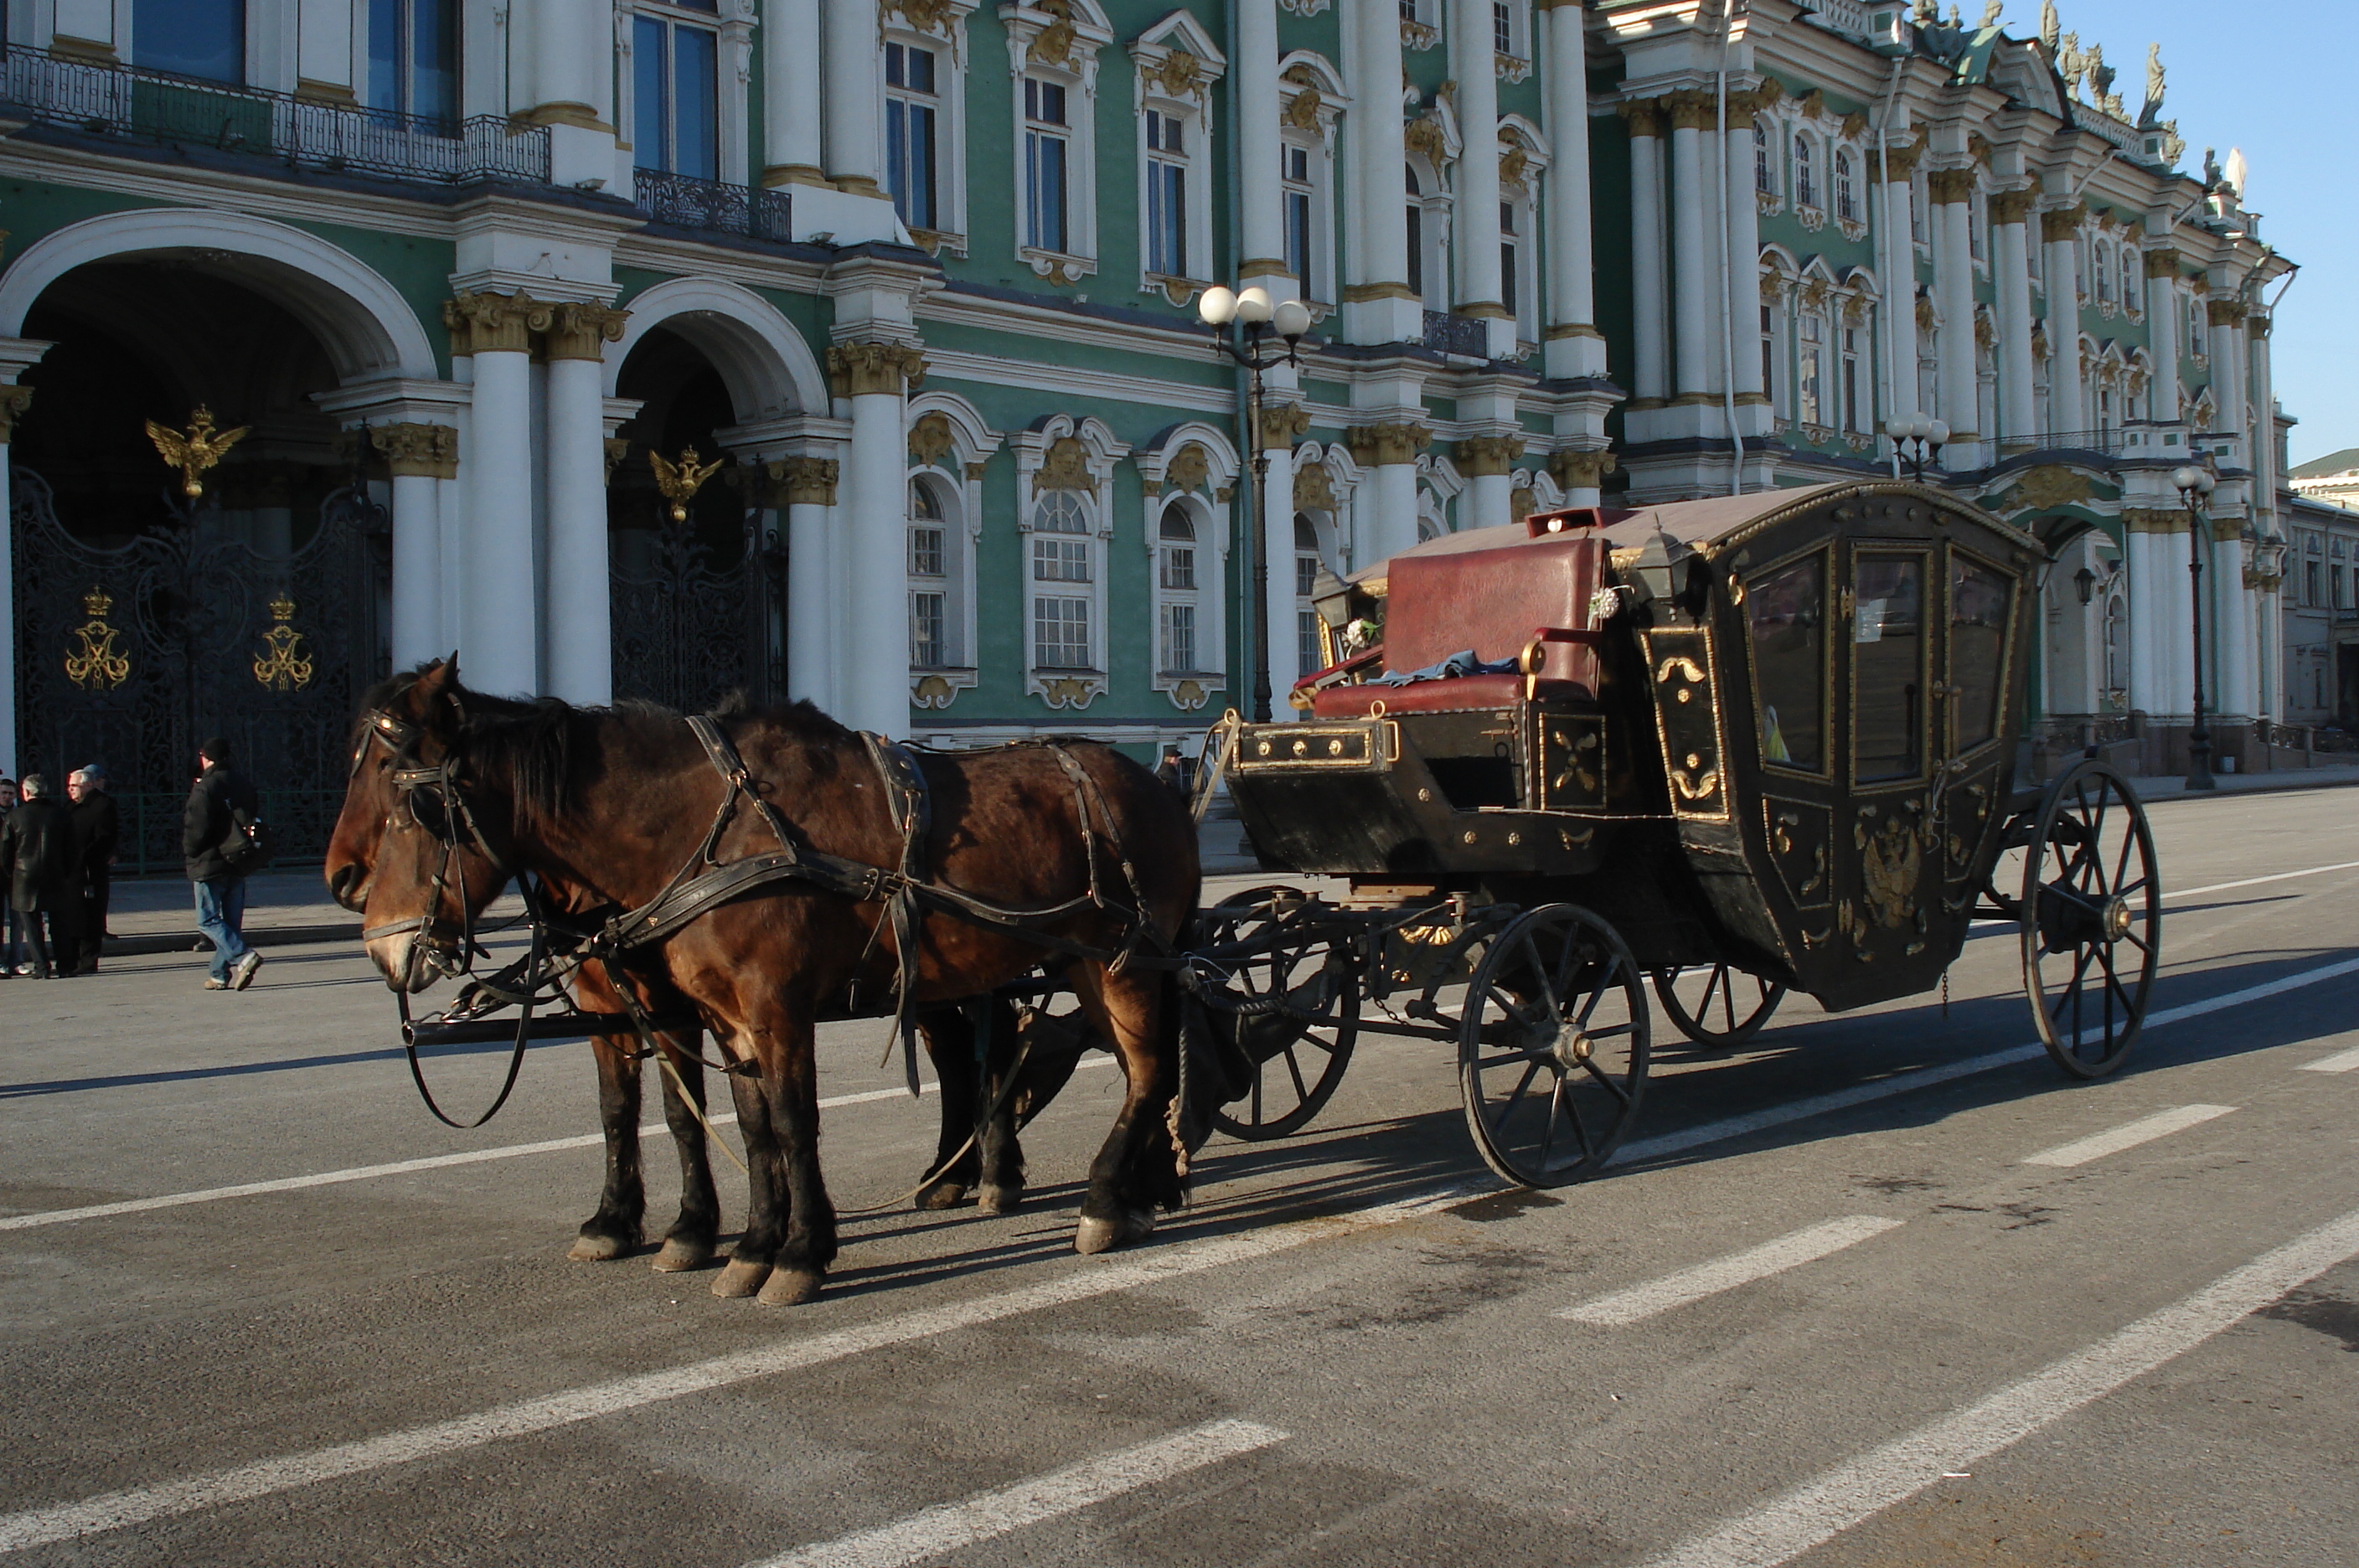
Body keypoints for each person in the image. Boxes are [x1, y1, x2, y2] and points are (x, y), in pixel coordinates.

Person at [184, 737, 263, 992]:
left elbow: (197, 826)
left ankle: (243, 956)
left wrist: (191, 851)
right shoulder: (241, 782)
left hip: (210, 860)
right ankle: (219, 973)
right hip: (238, 857)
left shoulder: (206, 786)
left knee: (206, 920)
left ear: (206, 758)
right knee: (230, 922)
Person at [0, 773, 80, 978]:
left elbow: (5, 853)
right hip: (56, 874)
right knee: (60, 924)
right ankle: (65, 965)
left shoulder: (15, 817)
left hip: (24, 876)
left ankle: (42, 966)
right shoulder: (61, 815)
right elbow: (72, 849)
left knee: (31, 925)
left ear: (26, 793)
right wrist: (66, 872)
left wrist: (13, 873)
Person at [67, 766, 119, 975]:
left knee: (91, 915)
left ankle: (88, 959)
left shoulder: (102, 805)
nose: (70, 790)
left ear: (88, 785)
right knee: (74, 914)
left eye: (74, 786)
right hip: (72, 870)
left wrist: (83, 857)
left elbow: (104, 837)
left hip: (90, 869)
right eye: (69, 787)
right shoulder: (71, 807)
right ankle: (72, 958)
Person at [0, 776, 26, 975]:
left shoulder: (19, 816)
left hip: (17, 874)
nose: (7, 797)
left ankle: (17, 960)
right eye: (3, 793)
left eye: (11, 794)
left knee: (18, 920)